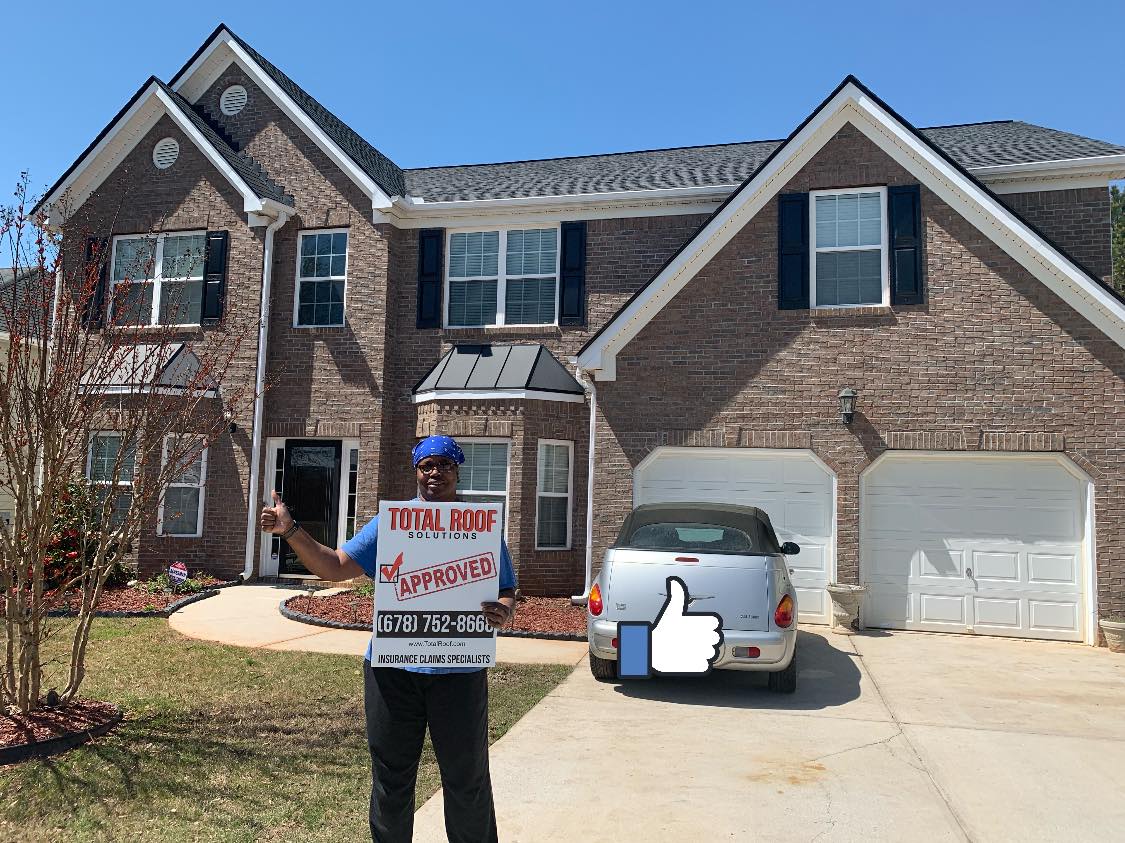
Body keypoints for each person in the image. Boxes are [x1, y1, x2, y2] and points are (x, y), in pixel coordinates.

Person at [260, 435, 517, 843]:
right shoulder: (394, 523)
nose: (436, 473)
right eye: (427, 465)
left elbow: (505, 588)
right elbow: (336, 565)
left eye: (445, 465)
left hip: (460, 671)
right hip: (392, 670)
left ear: (457, 471)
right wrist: (289, 530)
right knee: (391, 781)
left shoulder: (478, 527)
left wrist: (503, 608)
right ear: (416, 471)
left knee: (467, 779)